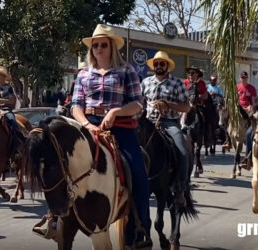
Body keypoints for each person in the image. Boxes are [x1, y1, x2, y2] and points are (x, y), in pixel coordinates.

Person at [72, 24, 150, 248]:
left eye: (103, 45)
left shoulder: (126, 71)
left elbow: (137, 104)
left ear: (112, 47)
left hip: (121, 127)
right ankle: (55, 219)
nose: (98, 48)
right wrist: (86, 124)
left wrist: (115, 112)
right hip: (88, 124)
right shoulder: (84, 74)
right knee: (60, 162)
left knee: (139, 176)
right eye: (95, 45)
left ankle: (139, 227)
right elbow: (76, 105)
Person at [141, 51, 191, 207]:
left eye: (162, 63)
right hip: (147, 122)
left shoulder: (177, 83)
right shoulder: (145, 82)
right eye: (156, 64)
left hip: (169, 122)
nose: (158, 66)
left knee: (182, 150)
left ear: (167, 66)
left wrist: (168, 105)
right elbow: (138, 103)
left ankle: (180, 189)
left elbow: (186, 107)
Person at [0, 65, 24, 158]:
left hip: (6, 110)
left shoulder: (9, 88)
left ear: (3, 77)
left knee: (12, 121)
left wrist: (3, 101)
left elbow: (13, 101)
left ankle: (19, 144)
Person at [237, 71, 257, 169]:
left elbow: (254, 102)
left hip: (248, 110)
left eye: (245, 77)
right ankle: (227, 140)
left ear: (247, 78)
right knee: (226, 119)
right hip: (239, 109)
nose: (243, 79)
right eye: (242, 77)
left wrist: (251, 108)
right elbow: (235, 99)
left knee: (250, 133)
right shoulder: (237, 87)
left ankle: (247, 157)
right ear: (240, 78)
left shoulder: (252, 88)